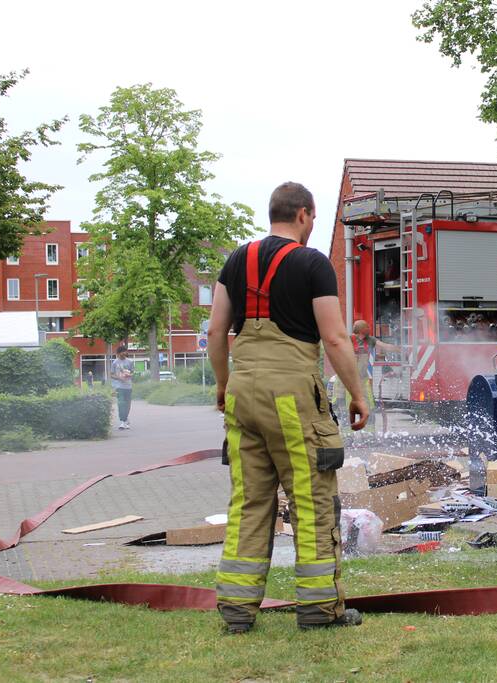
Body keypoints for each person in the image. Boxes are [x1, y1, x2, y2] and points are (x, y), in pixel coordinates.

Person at [208, 182, 369, 634]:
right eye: (314, 219)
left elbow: (216, 333)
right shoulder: (312, 263)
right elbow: (335, 338)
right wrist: (359, 394)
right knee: (312, 501)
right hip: (293, 396)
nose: (313, 227)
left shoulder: (236, 260)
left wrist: (223, 386)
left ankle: (237, 612)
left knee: (249, 501)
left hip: (242, 393)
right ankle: (319, 610)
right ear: (303, 214)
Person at [349, 320, 398, 432]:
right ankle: (348, 436)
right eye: (367, 327)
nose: (370, 328)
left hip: (362, 380)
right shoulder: (348, 340)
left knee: (369, 407)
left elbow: (385, 346)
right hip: (349, 381)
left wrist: (400, 349)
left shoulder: (370, 340)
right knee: (346, 408)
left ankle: (369, 434)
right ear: (361, 330)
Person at [109, 346, 134, 430]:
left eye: (125, 352)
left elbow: (133, 372)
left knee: (127, 404)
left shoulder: (130, 362)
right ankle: (122, 421)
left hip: (128, 386)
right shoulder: (115, 363)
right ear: (118, 353)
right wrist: (119, 378)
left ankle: (126, 418)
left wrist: (129, 375)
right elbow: (111, 374)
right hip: (119, 386)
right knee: (121, 403)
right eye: (123, 352)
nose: (124, 353)